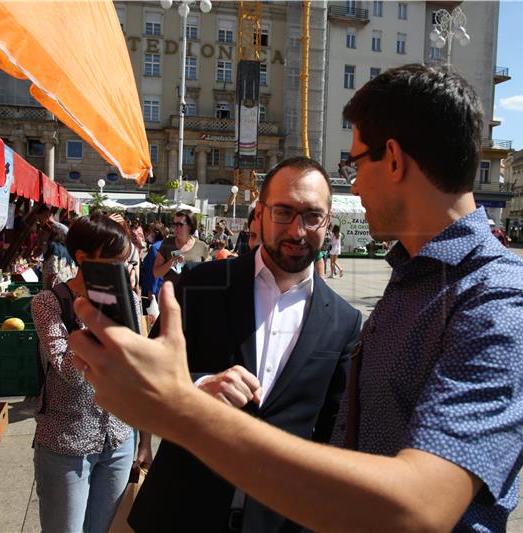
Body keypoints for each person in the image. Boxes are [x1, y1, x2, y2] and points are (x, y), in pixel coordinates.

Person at [68, 65, 523, 532]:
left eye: (356, 161)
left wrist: (180, 409)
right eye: (284, 212)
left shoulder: (501, 300)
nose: (356, 183)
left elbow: (421, 510)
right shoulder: (415, 281)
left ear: (392, 159)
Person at [129, 157, 362, 533]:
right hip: (183, 510)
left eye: (312, 216)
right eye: (284, 212)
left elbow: (332, 434)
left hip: (281, 521)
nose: (297, 230)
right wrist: (200, 387)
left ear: (328, 218)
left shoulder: (344, 320)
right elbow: (142, 379)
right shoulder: (199, 285)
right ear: (260, 213)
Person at [30, 213, 152, 533]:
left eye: (126, 262)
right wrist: (95, 318)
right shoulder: (49, 302)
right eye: (114, 261)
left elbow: (135, 371)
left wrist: (144, 439)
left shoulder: (128, 302)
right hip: (66, 442)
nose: (123, 271)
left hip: (119, 438)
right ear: (83, 258)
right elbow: (69, 371)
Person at [153, 210, 209, 286]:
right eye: (174, 224)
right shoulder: (167, 243)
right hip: (171, 295)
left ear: (190, 226)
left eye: (180, 224)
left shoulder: (202, 246)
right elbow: (156, 273)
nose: (175, 228)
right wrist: (170, 263)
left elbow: (207, 274)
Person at [140, 222, 166, 311]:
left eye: (149, 232)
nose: (147, 235)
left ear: (156, 233)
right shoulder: (167, 244)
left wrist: (151, 292)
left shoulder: (154, 248)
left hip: (154, 289)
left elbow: (154, 271)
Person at [40, 226, 77, 290]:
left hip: (56, 288)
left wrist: (46, 289)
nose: (43, 236)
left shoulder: (53, 246)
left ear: (50, 235)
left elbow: (52, 271)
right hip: (66, 286)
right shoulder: (65, 248)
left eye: (44, 233)